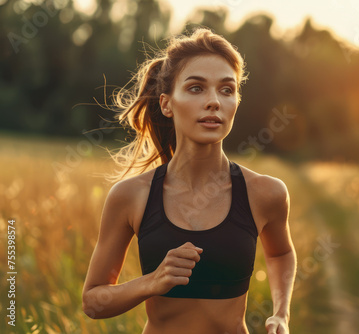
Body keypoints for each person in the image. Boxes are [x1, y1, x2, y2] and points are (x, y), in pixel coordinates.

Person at [81, 28, 297, 334]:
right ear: (167, 104)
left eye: (226, 90)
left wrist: (281, 313)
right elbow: (93, 302)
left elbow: (280, 253)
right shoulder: (131, 196)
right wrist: (151, 282)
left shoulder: (266, 193)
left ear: (236, 101)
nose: (214, 102)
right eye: (196, 88)